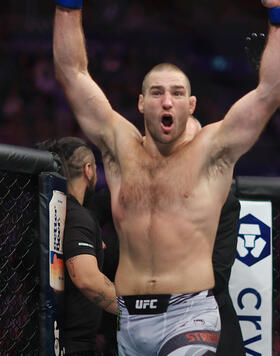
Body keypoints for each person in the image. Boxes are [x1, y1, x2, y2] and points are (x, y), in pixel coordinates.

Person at [53, 1, 280, 354]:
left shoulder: (213, 151)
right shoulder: (119, 148)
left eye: (176, 93)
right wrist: (68, 6)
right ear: (142, 102)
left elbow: (269, 92)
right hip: (128, 319)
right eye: (157, 93)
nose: (167, 102)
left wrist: (278, 14)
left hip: (190, 316)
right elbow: (72, 73)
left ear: (191, 105)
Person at [37, 137, 117, 356]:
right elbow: (87, 278)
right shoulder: (76, 216)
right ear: (88, 170)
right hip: (74, 345)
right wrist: (135, 312)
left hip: (54, 337)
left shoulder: (48, 211)